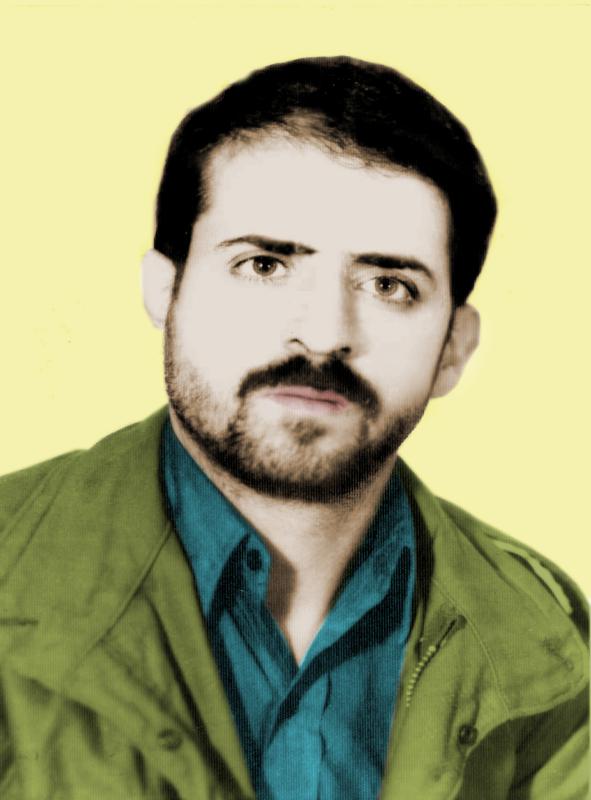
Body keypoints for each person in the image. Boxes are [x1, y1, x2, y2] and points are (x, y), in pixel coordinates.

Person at [0, 56, 587, 800]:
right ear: (164, 290)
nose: (323, 334)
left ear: (453, 348)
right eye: (265, 265)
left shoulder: (546, 635)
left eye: (389, 285)